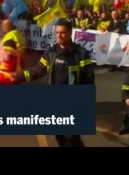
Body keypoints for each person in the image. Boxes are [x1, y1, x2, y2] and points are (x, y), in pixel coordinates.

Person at [13, 19, 94, 147]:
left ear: (70, 33)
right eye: (57, 33)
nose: (59, 36)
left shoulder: (81, 53)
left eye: (63, 33)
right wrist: (19, 76)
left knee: (72, 138)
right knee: (60, 137)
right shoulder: (51, 52)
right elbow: (37, 70)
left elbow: (88, 80)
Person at [0, 19, 25, 84]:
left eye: (5, 25)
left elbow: (20, 50)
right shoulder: (6, 36)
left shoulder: (15, 33)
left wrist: (19, 66)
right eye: (3, 26)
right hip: (5, 66)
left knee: (13, 81)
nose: (3, 27)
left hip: (13, 65)